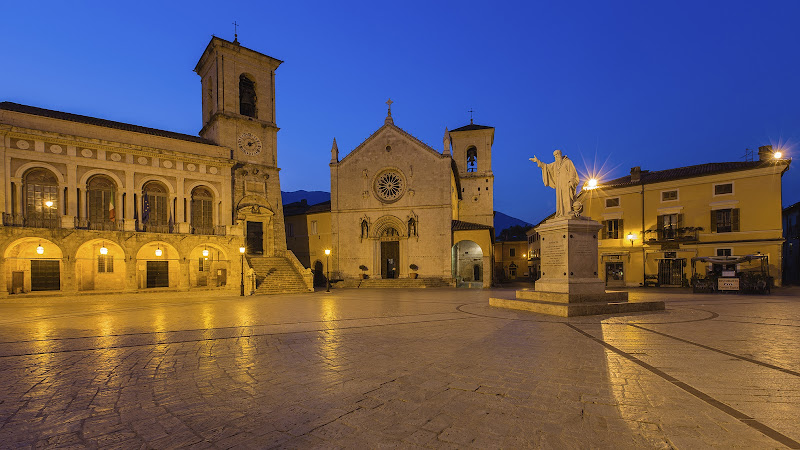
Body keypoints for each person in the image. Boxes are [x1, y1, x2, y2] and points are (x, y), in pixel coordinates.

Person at [530, 150, 579, 218]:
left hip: (566, 183)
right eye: (555, 155)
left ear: (560, 154)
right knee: (560, 199)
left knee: (567, 197)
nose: (556, 156)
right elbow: (546, 167)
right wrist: (537, 161)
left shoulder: (568, 162)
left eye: (557, 155)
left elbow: (572, 172)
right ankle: (561, 212)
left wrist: (571, 181)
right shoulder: (555, 164)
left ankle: (568, 211)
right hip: (559, 185)